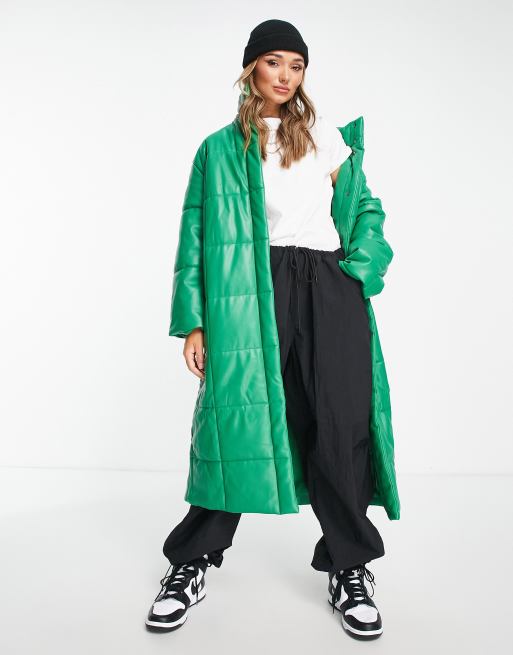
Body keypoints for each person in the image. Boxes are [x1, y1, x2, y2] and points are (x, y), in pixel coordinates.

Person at [145, 19, 400, 640]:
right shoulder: (219, 149)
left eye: (296, 65)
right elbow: (195, 238)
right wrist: (194, 322)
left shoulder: (324, 138)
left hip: (329, 284)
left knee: (340, 421)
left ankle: (349, 568)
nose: (285, 75)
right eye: (274, 62)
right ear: (251, 68)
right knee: (235, 422)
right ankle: (191, 562)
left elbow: (364, 208)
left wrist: (361, 267)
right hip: (254, 288)